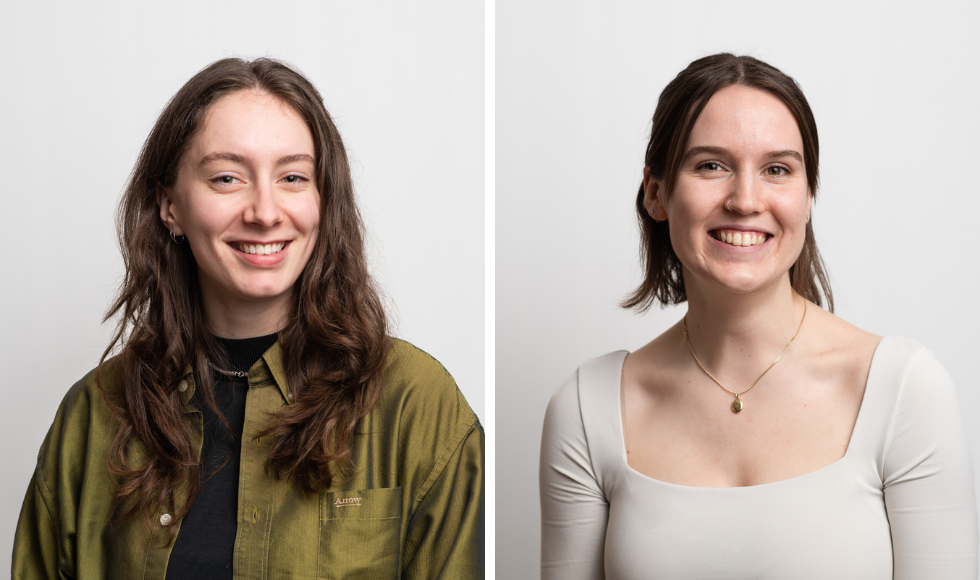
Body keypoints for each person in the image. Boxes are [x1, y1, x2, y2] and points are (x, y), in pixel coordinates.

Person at [13, 58, 483, 579]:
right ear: (170, 205)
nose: (264, 211)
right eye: (226, 177)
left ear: (324, 200)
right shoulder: (92, 414)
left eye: (293, 176)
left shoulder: (417, 405)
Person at [539, 53, 977, 579]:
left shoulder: (905, 389)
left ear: (808, 195)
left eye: (777, 170)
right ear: (656, 192)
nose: (746, 200)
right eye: (710, 165)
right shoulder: (588, 411)